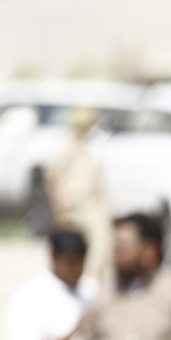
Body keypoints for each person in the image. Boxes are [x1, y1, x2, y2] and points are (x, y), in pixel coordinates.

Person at [45, 107, 113, 285]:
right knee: (71, 248)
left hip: (91, 204)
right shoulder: (65, 148)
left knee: (101, 244)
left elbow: (96, 180)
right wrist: (59, 210)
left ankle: (94, 282)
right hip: (72, 206)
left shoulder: (89, 147)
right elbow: (52, 180)